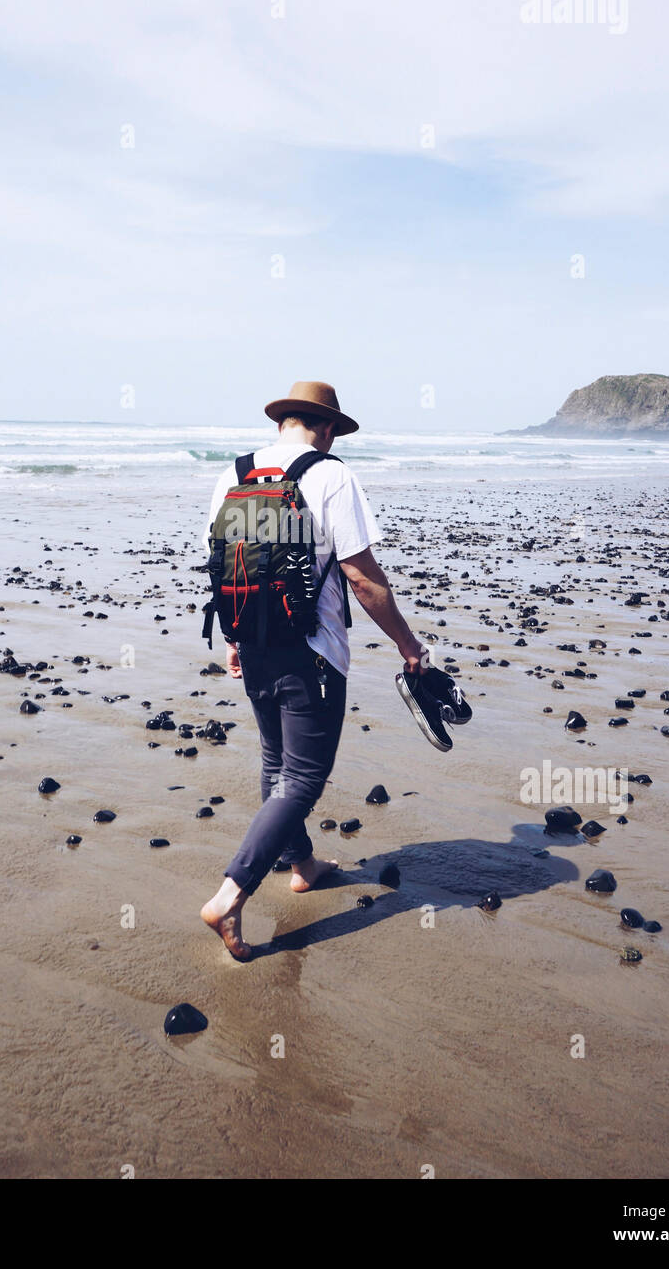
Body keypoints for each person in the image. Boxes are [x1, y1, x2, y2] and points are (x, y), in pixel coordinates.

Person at [199, 381, 426, 959]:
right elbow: (362, 577)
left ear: (283, 424)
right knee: (300, 780)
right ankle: (230, 893)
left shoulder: (234, 475)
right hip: (313, 652)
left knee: (276, 764)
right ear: (325, 428)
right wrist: (409, 644)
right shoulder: (330, 475)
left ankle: (301, 864)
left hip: (253, 641)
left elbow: (224, 564)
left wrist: (232, 638)